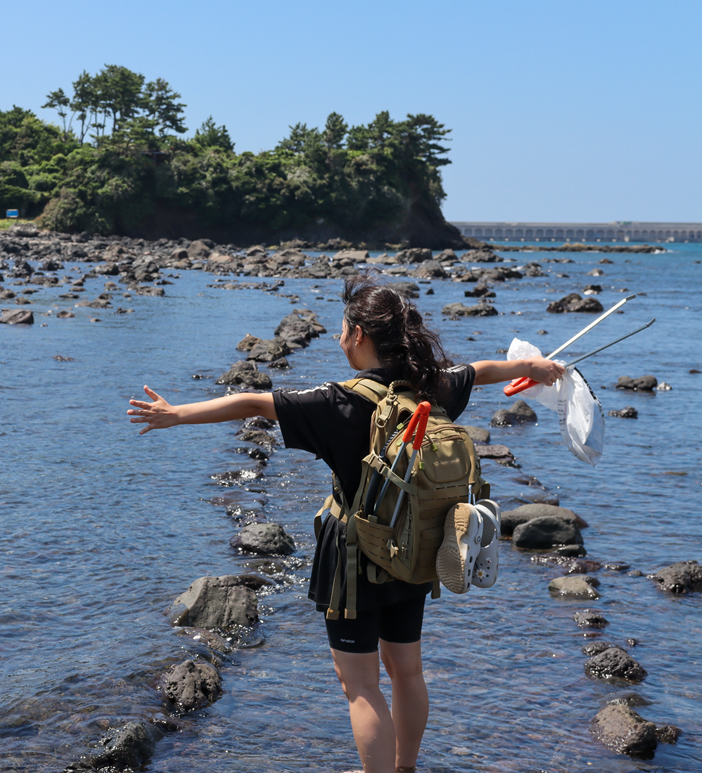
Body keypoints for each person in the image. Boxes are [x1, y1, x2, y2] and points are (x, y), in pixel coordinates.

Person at [127, 275, 565, 773]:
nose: (338, 340)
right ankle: (405, 769)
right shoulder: (431, 385)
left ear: (360, 335)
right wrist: (533, 366)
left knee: (359, 684)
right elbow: (482, 370)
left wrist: (176, 413)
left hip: (356, 556)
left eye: (342, 330)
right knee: (407, 669)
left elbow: (253, 403)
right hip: (419, 546)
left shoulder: (340, 402)